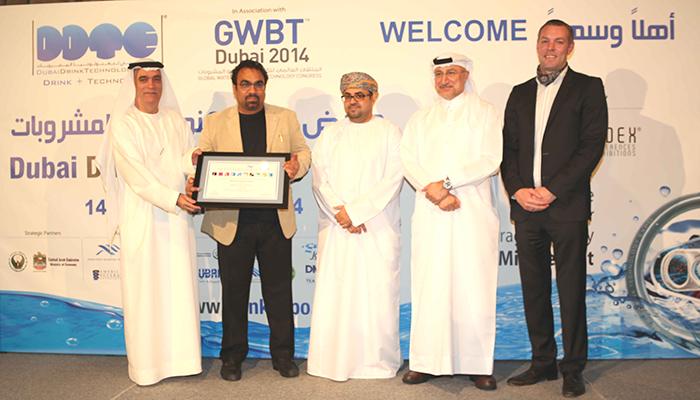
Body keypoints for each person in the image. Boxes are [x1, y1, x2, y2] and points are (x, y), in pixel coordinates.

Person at [501, 19, 608, 398]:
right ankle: (542, 362)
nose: (551, 47)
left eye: (559, 41)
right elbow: (508, 149)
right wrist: (518, 190)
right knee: (533, 289)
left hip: (566, 207)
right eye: (545, 40)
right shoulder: (519, 93)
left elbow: (591, 146)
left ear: (570, 48)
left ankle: (573, 367)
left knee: (571, 290)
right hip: (526, 208)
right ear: (537, 45)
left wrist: (552, 190)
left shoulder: (588, 88)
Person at [192, 60, 311, 381]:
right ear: (235, 89)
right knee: (234, 293)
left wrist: (296, 167)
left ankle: (283, 356)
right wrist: (198, 163)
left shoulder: (285, 117)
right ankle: (232, 357)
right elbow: (202, 155)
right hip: (232, 224)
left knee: (279, 292)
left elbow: (303, 152)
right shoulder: (216, 122)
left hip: (275, 222)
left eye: (258, 84)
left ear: (265, 87)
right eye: (245, 84)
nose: (252, 91)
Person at [400, 53, 502, 391]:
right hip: (431, 211)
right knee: (430, 285)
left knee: (473, 285)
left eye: (452, 73)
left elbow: (490, 159)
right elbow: (408, 160)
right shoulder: (420, 118)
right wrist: (436, 192)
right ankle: (426, 363)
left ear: (466, 75)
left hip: (472, 212)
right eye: (439, 74)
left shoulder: (485, 112)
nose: (444, 80)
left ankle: (477, 365)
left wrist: (446, 183)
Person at [96, 60, 202, 386]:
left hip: (177, 221)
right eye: (144, 79)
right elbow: (135, 175)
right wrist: (174, 198)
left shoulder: (174, 120)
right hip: (143, 218)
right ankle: (146, 367)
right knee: (145, 293)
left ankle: (182, 361)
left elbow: (184, 159)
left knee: (178, 290)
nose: (151, 86)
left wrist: (194, 166)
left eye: (156, 79)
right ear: (134, 83)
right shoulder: (124, 124)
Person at [307, 72, 403, 381]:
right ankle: (333, 362)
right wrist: (342, 213)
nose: (353, 101)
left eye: (360, 95)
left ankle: (376, 362)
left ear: (374, 97)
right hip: (338, 229)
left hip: (377, 227)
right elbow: (319, 179)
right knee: (336, 294)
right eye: (348, 96)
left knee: (377, 295)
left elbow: (393, 178)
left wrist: (358, 212)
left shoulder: (390, 132)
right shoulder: (330, 134)